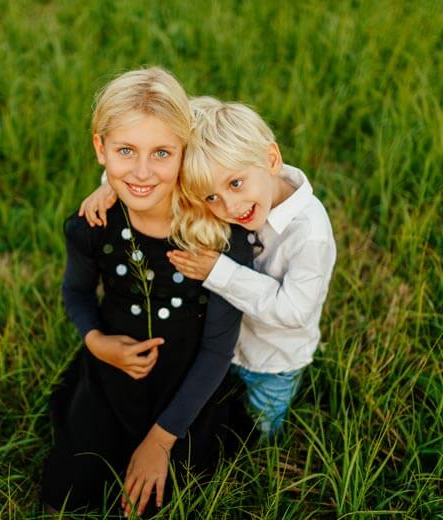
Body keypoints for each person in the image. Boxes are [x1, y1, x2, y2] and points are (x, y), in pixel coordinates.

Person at [41, 69, 253, 517]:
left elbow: (217, 350)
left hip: (189, 381)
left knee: (174, 499)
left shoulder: (219, 237)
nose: (141, 172)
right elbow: (76, 291)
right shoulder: (92, 225)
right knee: (68, 494)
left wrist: (160, 442)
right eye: (125, 151)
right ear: (101, 149)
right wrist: (96, 342)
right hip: (111, 375)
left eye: (161, 153)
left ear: (184, 153)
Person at [81, 96, 336, 439]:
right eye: (211, 198)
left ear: (270, 159)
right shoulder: (231, 183)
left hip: (270, 362)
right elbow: (158, 175)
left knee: (254, 437)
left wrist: (219, 272)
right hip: (215, 344)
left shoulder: (309, 234)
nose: (229, 206)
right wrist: (110, 186)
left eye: (235, 184)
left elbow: (294, 311)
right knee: (207, 415)